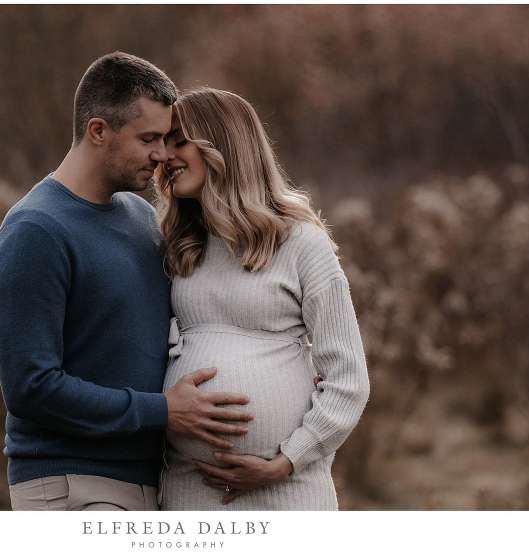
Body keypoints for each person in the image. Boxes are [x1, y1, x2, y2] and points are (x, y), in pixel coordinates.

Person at [0, 54, 252, 511]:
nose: (163, 154)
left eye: (167, 139)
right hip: (71, 484)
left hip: (147, 483)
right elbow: (31, 387)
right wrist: (163, 411)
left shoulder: (141, 218)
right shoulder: (36, 230)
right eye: (148, 138)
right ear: (98, 131)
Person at [154, 87, 370, 510]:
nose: (165, 156)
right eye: (162, 143)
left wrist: (286, 462)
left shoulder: (301, 243)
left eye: (179, 141)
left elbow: (348, 380)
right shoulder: (177, 247)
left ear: (223, 144)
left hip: (287, 492)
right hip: (190, 491)